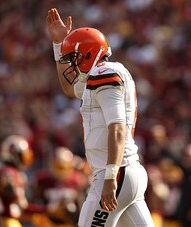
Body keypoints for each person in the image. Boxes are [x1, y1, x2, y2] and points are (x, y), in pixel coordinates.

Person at [46, 8, 154, 227]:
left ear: (87, 54)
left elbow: (117, 127)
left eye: (74, 57)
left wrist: (110, 176)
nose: (72, 65)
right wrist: (59, 45)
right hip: (129, 171)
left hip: (115, 170)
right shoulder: (105, 72)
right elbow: (69, 89)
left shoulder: (103, 74)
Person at [0, 135, 34, 227]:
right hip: (4, 220)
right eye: (23, 156)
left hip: (5, 219)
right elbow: (10, 200)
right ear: (14, 155)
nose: (25, 159)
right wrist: (45, 211)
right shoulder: (8, 173)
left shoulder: (9, 172)